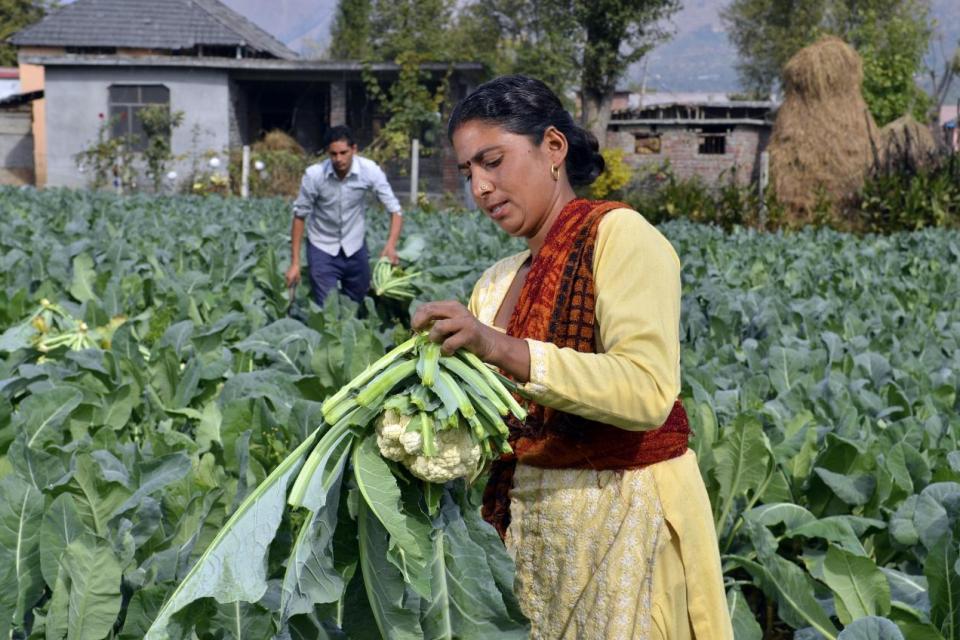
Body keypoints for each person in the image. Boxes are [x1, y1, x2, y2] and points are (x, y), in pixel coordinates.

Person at [412, 75, 733, 639]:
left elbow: (646, 391)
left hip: (624, 529)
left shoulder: (620, 237)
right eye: (468, 173)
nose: (481, 188)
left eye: (493, 161)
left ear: (553, 148)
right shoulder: (495, 282)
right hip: (532, 548)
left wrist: (499, 347)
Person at [286, 125, 404, 305]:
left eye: (344, 152)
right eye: (333, 154)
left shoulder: (369, 170)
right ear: (327, 153)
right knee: (327, 308)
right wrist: (295, 263)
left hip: (355, 246)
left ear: (354, 149)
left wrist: (391, 245)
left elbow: (395, 210)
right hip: (322, 247)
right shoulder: (314, 175)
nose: (339, 159)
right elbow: (299, 216)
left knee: (356, 304)